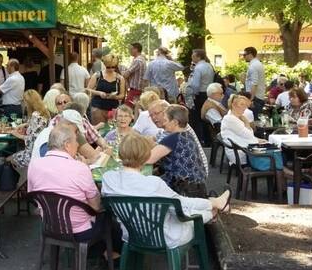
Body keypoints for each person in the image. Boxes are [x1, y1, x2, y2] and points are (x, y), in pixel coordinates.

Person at [102, 133, 230, 249]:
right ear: (145, 156)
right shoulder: (153, 183)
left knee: (177, 207)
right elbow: (181, 207)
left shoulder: (108, 179)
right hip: (165, 237)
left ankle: (215, 203)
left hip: (131, 235)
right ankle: (214, 206)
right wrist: (208, 206)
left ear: (120, 153)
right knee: (189, 210)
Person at [27, 124, 111, 243]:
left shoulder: (34, 165)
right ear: (67, 145)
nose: (77, 145)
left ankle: (95, 253)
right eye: (76, 141)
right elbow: (96, 205)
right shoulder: (80, 168)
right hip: (80, 232)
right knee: (109, 218)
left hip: (49, 226)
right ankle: (106, 254)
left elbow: (34, 197)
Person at [147, 105, 208, 197]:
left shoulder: (173, 138)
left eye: (166, 120)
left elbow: (148, 159)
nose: (163, 123)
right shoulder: (187, 135)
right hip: (198, 185)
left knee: (147, 186)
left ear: (175, 122)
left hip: (183, 187)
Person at [221, 94, 283, 171]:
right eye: (242, 104)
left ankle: (283, 173)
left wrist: (257, 139)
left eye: (245, 105)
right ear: (233, 105)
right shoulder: (231, 119)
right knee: (279, 155)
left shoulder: (234, 117)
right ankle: (288, 175)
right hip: (242, 153)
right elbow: (249, 135)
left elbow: (247, 135)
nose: (244, 107)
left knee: (276, 151)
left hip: (242, 148)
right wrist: (247, 122)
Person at [8, 90, 50, 168]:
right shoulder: (45, 113)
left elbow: (32, 140)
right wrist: (26, 125)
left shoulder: (35, 116)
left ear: (28, 103)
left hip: (33, 154)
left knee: (7, 160)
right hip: (43, 151)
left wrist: (17, 135)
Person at [184, 49, 215, 145]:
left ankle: (200, 139)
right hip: (209, 93)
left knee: (197, 118)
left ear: (198, 56)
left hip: (200, 94)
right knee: (207, 116)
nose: (191, 58)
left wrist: (193, 94)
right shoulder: (209, 66)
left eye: (193, 56)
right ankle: (208, 139)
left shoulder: (198, 68)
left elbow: (196, 85)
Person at [88, 54, 126, 125]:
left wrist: (114, 97)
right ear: (105, 65)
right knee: (99, 130)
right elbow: (88, 89)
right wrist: (99, 93)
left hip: (113, 108)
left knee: (112, 130)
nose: (111, 69)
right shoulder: (97, 76)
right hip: (98, 107)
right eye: (108, 67)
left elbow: (122, 95)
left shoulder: (120, 78)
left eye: (113, 67)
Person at [243, 47, 266, 118]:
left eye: (244, 55)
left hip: (255, 99)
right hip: (259, 97)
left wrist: (250, 99)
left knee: (253, 121)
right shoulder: (258, 64)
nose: (243, 57)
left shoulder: (253, 66)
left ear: (250, 54)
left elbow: (254, 84)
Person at [122, 42, 147, 107]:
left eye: (131, 49)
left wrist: (123, 73)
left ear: (136, 49)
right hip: (138, 89)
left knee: (127, 108)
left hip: (135, 90)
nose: (129, 50)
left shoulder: (137, 61)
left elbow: (126, 74)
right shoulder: (141, 59)